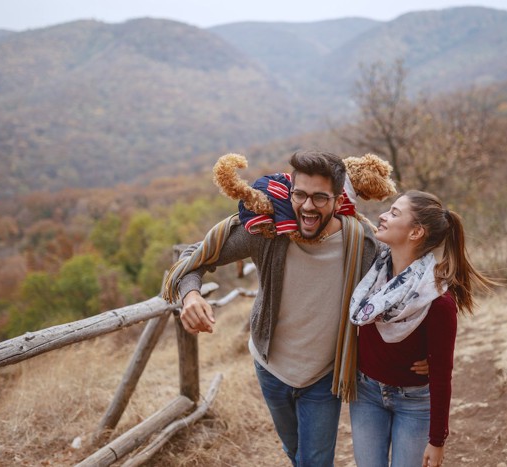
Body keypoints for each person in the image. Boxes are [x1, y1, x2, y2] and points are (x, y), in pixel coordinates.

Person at [162, 150, 379, 466]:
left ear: (338, 200)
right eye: (300, 195)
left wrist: (425, 353)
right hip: (270, 367)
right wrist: (191, 296)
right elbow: (194, 259)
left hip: (324, 374)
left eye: (320, 198)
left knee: (314, 461)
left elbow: (401, 287)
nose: (307, 206)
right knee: (294, 452)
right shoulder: (267, 233)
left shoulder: (360, 243)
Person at [348, 190, 497, 467]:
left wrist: (437, 440)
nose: (382, 215)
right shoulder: (372, 270)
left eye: (394, 213)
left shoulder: (438, 300)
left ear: (416, 232)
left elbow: (442, 375)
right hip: (366, 393)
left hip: (413, 403)